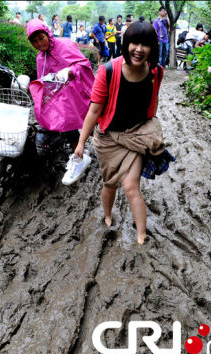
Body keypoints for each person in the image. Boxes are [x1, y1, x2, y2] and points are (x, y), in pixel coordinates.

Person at [74, 21, 175, 245]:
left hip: (136, 136)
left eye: (145, 44)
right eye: (134, 43)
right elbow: (94, 110)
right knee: (110, 183)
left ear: (152, 48)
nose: (139, 49)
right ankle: (108, 215)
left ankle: (141, 235)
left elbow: (154, 99)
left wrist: (149, 128)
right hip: (108, 137)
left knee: (131, 186)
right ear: (126, 43)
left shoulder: (156, 71)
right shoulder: (108, 71)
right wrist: (81, 142)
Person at [26, 19, 96, 185]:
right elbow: (42, 78)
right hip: (57, 93)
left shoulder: (64, 45)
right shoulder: (40, 57)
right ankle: (66, 149)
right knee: (48, 119)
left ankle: (79, 155)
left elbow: (83, 64)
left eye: (41, 38)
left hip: (74, 88)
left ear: (47, 34)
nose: (39, 43)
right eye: (34, 41)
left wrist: (69, 71)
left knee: (68, 120)